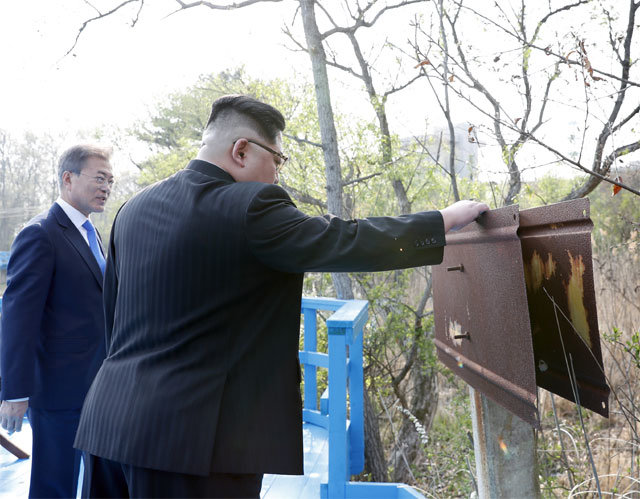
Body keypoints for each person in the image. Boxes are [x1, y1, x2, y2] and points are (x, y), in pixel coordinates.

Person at [74, 95, 488, 498]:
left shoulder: (132, 209)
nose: (276, 175)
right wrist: (441, 221)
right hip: (196, 446)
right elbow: (344, 241)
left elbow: (114, 318)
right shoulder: (252, 205)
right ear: (241, 150)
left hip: (109, 424)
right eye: (277, 159)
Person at [0, 144, 114, 498]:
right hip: (58, 390)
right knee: (55, 485)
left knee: (98, 480)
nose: (106, 187)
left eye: (110, 180)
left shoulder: (92, 232)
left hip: (99, 385)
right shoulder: (41, 233)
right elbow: (18, 318)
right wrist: (15, 391)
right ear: (68, 178)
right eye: (99, 178)